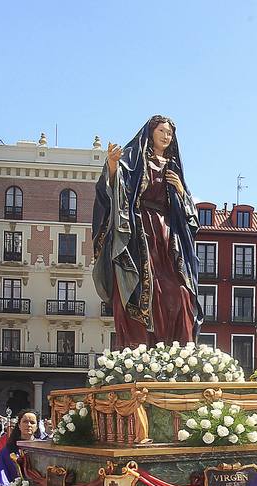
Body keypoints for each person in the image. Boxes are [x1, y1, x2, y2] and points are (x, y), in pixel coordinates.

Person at [93, 115, 200, 347]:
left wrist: (180, 191)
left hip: (167, 234)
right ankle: (141, 348)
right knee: (142, 289)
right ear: (151, 133)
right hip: (139, 231)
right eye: (162, 131)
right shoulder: (134, 161)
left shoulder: (174, 168)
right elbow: (112, 191)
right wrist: (112, 166)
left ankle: (179, 351)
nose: (166, 136)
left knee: (181, 291)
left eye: (170, 133)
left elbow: (190, 216)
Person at [0, 410, 39, 486]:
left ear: (36, 427)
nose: (29, 425)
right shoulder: (8, 450)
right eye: (25, 422)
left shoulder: (42, 448)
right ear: (19, 425)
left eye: (32, 422)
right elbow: (1, 474)